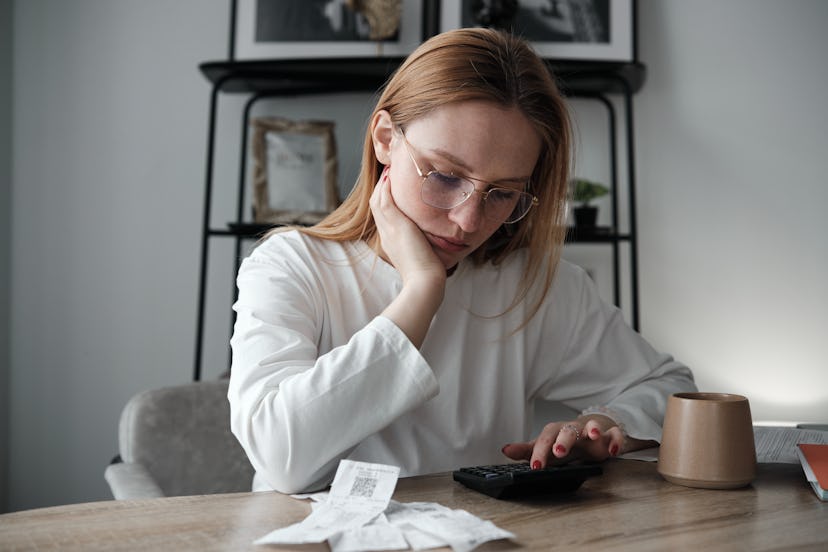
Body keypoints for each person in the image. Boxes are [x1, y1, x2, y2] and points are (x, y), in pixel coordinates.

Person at [228, 27, 696, 494]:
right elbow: (281, 458)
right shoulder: (290, 265)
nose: (468, 221)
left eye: (503, 193)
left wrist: (603, 424)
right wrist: (422, 291)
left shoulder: (533, 285)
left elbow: (670, 389)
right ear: (386, 139)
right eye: (447, 176)